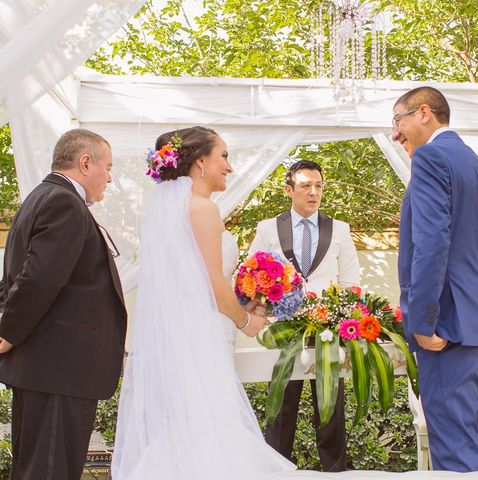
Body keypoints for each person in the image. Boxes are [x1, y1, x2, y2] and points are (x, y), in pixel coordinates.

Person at [111, 126, 295, 479]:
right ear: (199, 163)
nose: (229, 166)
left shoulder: (166, 212)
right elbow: (211, 284)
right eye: (223, 156)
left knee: (185, 426)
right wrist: (247, 321)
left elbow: (192, 281)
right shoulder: (203, 209)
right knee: (209, 425)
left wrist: (246, 298)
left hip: (181, 333)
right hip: (201, 336)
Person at [0, 129, 127, 479]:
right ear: (85, 163)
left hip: (46, 367)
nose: (110, 178)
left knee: (36, 468)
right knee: (51, 470)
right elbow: (37, 279)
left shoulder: (40, 197)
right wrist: (8, 332)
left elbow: (15, 275)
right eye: (108, 167)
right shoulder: (64, 202)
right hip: (60, 368)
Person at [393, 86, 478, 472]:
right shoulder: (474, 163)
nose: (395, 133)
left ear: (424, 113)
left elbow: (431, 243)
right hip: (473, 323)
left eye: (398, 120)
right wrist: (470, 300)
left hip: (444, 331)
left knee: (454, 451)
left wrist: (423, 320)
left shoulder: (429, 157)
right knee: (475, 439)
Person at [248, 160, 360, 472]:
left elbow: (351, 282)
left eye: (318, 186)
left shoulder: (340, 229)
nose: (313, 192)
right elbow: (252, 274)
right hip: (285, 329)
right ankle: (276, 470)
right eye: (305, 186)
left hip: (328, 331)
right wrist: (268, 312)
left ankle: (335, 470)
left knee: (330, 406)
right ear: (289, 190)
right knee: (281, 407)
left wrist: (342, 316)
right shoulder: (268, 228)